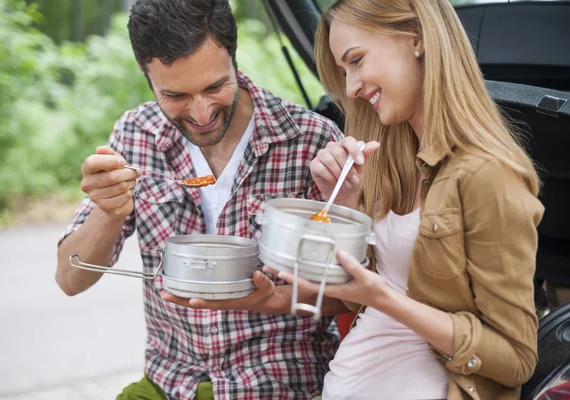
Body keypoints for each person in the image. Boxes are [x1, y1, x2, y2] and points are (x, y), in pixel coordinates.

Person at [55, 0, 347, 399]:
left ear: (234, 57)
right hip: (170, 382)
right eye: (175, 95)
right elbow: (70, 279)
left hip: (278, 384)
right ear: (147, 76)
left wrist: (273, 300)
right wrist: (109, 210)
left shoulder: (310, 140)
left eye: (215, 86)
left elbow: (347, 298)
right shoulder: (135, 135)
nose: (201, 111)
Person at [267, 0, 545, 399]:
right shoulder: (395, 163)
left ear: (416, 38)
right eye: (344, 72)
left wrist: (382, 297)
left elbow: (516, 358)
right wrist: (345, 205)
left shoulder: (487, 174)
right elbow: (361, 296)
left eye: (357, 61)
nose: (350, 88)